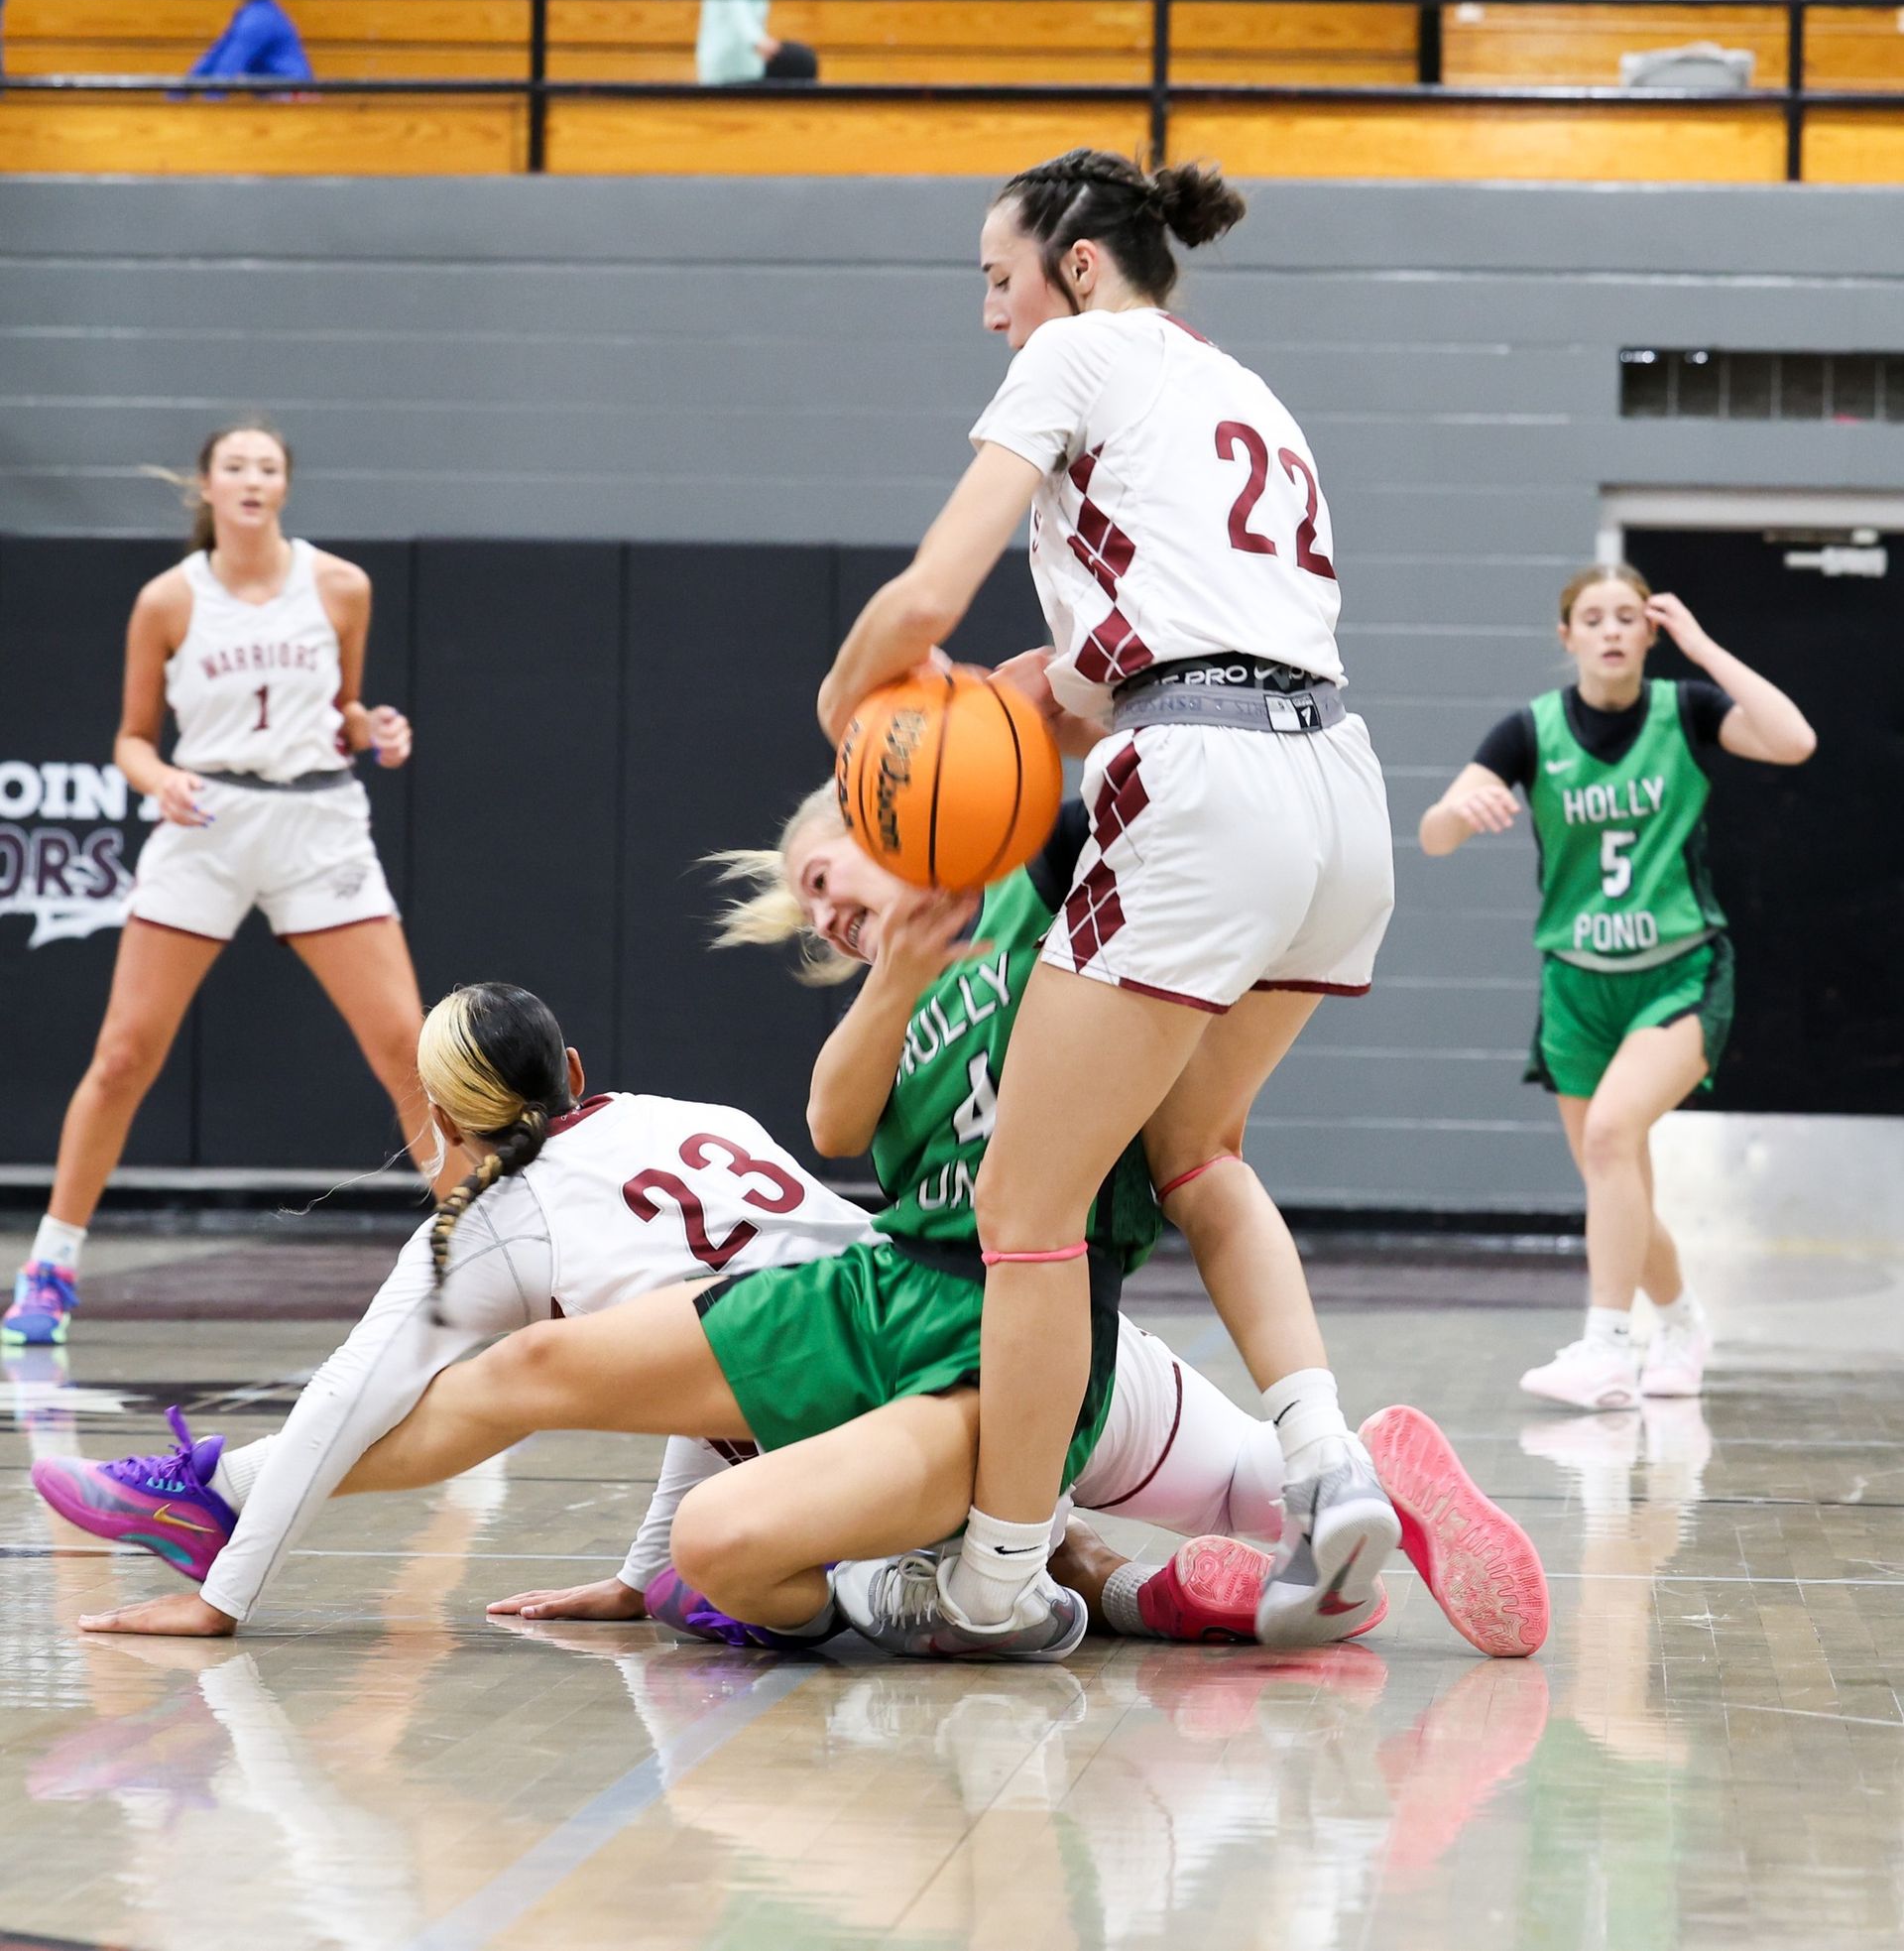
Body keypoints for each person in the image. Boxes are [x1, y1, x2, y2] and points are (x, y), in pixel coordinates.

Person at [38, 813, 1543, 1655]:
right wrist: (643, 1573)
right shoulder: (759, 1085)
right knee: (1209, 1503)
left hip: (991, 1338)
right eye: (811, 899)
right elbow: (767, 1247)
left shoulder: (1033, 913)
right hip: (939, 1329)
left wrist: (229, 1561)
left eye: (833, 869)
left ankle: (205, 1491)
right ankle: (1240, 1537)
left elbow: (368, 1387)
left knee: (940, 1532)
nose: (819, 903)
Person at [814, 148, 1398, 1648]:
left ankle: (999, 1576)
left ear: (1076, 266)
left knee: (1025, 1206)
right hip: (1339, 787)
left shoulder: (1076, 353)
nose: (990, 314)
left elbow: (927, 597)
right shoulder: (1243, 391)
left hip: (1201, 783)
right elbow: (1151, 654)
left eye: (997, 278)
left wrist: (847, 703)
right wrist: (1055, 697)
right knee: (1197, 1152)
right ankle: (1326, 1462)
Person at [3, 420, 441, 1351]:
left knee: (407, 1047)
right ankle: (50, 1266)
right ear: (206, 486)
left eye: (267, 466)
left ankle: (477, 1260)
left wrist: (375, 729)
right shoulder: (168, 599)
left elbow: (342, 713)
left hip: (317, 820)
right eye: (234, 466)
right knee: (124, 1053)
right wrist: (158, 778)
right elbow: (131, 739)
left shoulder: (340, 585)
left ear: (284, 486)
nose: (251, 479)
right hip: (206, 821)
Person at [1418, 563, 1815, 1409]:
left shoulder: (1685, 709)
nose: (1610, 630)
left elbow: (1794, 740)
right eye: (1593, 617)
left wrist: (1703, 647)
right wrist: (1460, 813)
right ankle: (1681, 1322)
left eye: (1627, 617)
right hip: (1577, 986)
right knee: (1614, 1177)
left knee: (1607, 1138)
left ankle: (1606, 1348)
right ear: (1567, 636)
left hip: (1678, 973)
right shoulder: (1528, 731)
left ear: (1649, 632)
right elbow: (1433, 836)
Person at [185, 0, 312, 89]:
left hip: (292, 97)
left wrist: (208, 100)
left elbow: (225, 73)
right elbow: (213, 58)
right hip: (281, 94)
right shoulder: (253, 12)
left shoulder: (258, 18)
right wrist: (180, 91)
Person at [697, 0, 817, 86]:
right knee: (802, 63)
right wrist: (757, 39)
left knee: (800, 61)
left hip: (730, 58)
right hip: (736, 61)